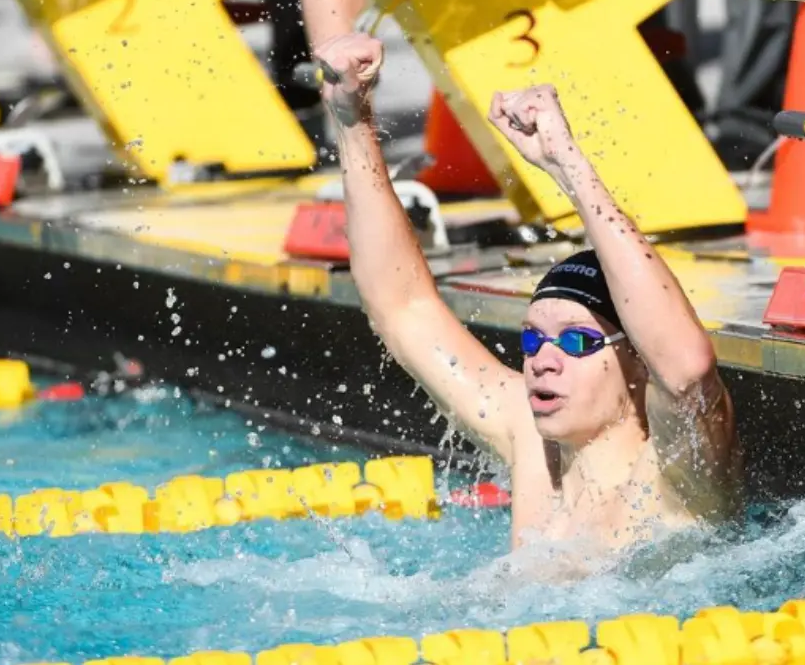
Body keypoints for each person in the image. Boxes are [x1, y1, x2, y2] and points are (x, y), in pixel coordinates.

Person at [313, 32, 742, 558]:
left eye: (577, 342)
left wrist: (566, 165)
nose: (543, 361)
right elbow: (403, 308)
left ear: (637, 361)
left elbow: (687, 370)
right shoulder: (531, 443)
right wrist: (352, 119)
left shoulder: (676, 473)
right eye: (533, 340)